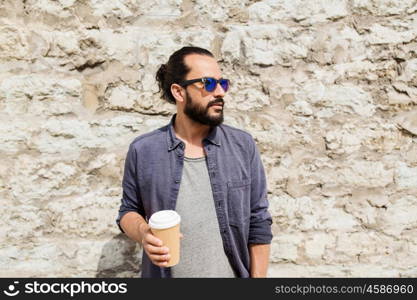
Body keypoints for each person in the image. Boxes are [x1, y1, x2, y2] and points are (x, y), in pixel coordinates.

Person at [116, 46, 272, 278]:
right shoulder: (144, 150)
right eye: (208, 83)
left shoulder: (242, 146)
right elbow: (128, 211)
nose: (220, 92)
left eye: (223, 83)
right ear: (179, 92)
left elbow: (259, 221)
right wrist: (143, 232)